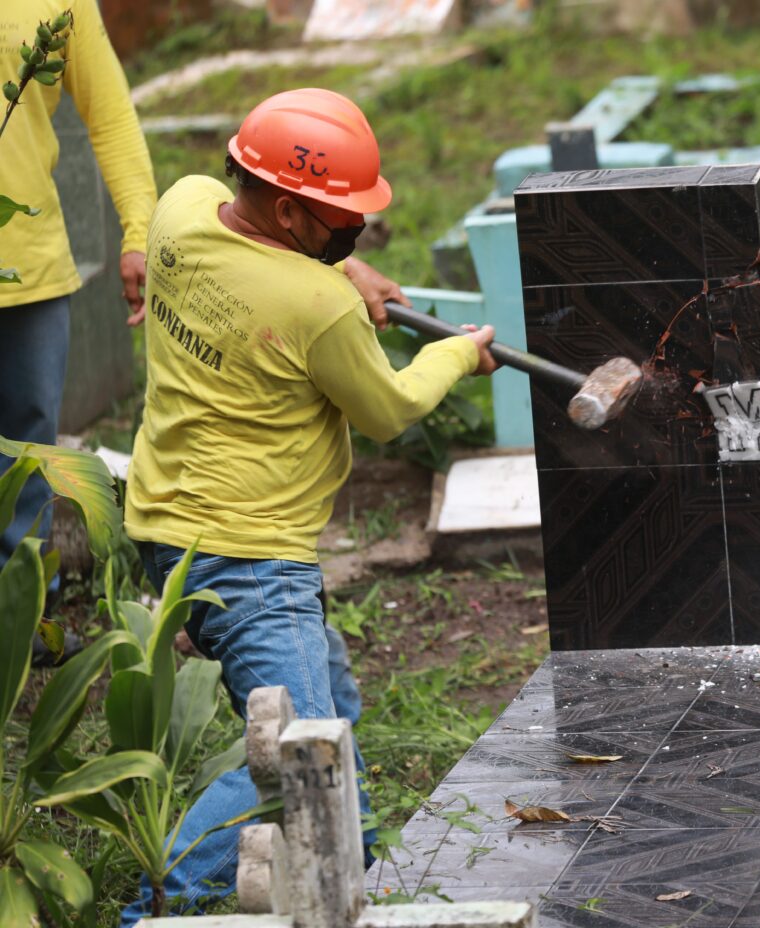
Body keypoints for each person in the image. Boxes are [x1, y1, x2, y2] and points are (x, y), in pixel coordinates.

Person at [119, 87, 497, 923]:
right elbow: (389, 409)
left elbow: (270, 264)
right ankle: (160, 906)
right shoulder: (315, 305)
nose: (354, 233)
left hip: (164, 518)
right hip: (252, 554)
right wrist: (459, 357)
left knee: (326, 697)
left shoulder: (181, 209)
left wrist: (341, 264)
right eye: (342, 223)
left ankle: (346, 862)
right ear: (290, 214)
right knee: (300, 755)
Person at [0, 2, 155, 625]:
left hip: (30, 271)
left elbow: (112, 116)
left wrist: (140, 230)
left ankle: (20, 639)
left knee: (26, 464)